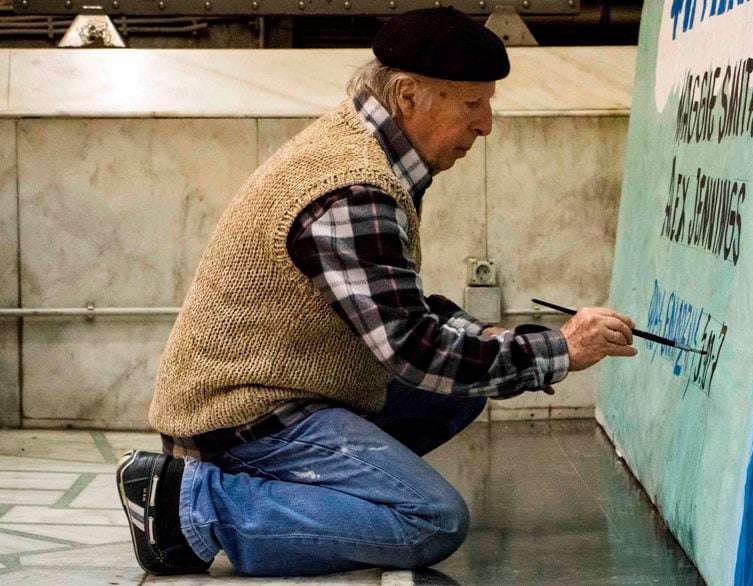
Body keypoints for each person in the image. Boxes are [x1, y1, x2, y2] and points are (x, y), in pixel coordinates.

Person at [115, 7, 638, 577]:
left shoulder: (366, 146)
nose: (486, 124)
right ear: (410, 96)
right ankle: (192, 502)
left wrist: (485, 335)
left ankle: (321, 497)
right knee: (431, 521)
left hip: (289, 384)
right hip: (243, 415)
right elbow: (413, 350)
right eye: (472, 104)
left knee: (461, 390)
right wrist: (560, 349)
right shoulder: (354, 185)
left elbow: (395, 303)